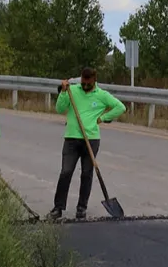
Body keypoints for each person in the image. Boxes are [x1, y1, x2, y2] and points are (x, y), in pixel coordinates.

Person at [49, 67, 125, 220]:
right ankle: (58, 208)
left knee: (86, 174)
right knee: (65, 172)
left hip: (91, 139)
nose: (85, 86)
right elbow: (59, 109)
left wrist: (103, 118)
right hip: (71, 138)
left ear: (94, 80)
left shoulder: (102, 95)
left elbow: (120, 107)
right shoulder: (72, 91)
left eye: (88, 83)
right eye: (83, 83)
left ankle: (81, 208)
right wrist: (63, 92)